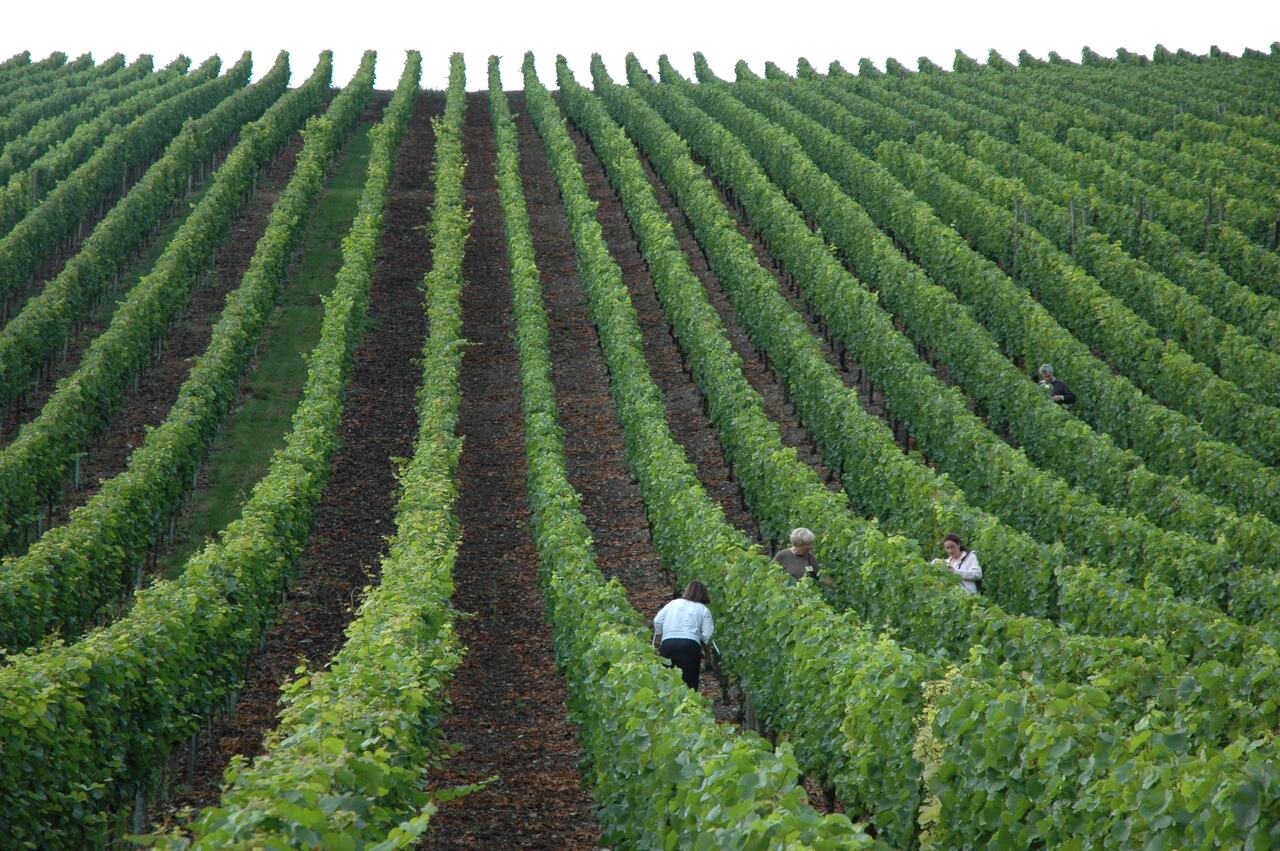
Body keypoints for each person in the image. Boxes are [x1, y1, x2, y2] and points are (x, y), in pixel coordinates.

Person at [653, 581, 714, 690]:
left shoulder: (673, 603)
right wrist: (696, 635)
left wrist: (663, 633)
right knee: (689, 683)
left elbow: (657, 621)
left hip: (668, 644)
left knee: (667, 681)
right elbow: (707, 635)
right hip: (689, 645)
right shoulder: (704, 609)